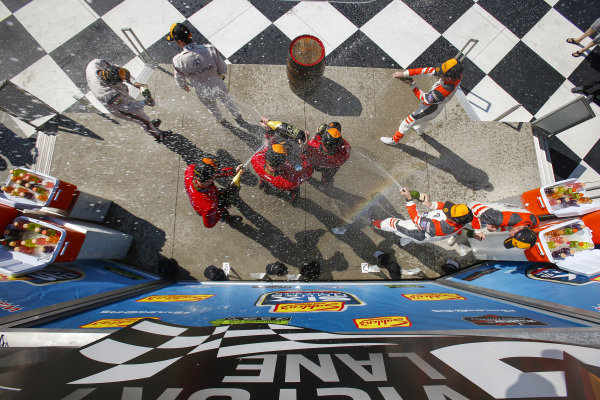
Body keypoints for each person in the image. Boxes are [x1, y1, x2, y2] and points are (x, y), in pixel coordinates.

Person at [167, 22, 243, 123]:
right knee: (228, 101)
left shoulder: (178, 61)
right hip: (217, 84)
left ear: (180, 41)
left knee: (212, 107)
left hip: (202, 90)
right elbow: (223, 69)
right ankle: (237, 117)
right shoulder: (209, 49)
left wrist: (184, 86)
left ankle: (221, 120)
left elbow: (179, 80)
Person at [85, 59, 172, 142]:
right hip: (118, 108)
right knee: (143, 120)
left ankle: (150, 125)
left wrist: (135, 83)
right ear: (113, 82)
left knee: (142, 116)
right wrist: (145, 102)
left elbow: (122, 72)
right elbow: (129, 108)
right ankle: (158, 136)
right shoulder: (107, 94)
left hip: (119, 96)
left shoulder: (97, 63)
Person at [381, 58, 463, 145]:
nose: (438, 74)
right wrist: (404, 73)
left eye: (441, 74)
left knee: (407, 122)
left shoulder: (444, 91)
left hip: (431, 108)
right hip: (438, 104)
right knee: (424, 120)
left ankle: (394, 141)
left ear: (448, 78)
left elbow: (426, 100)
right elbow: (427, 70)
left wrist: (412, 85)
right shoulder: (456, 75)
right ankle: (419, 130)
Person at [371, 188, 473, 246]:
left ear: (453, 219)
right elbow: (444, 207)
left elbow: (415, 218)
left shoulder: (436, 227)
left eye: (449, 212)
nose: (447, 209)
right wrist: (430, 204)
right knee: (407, 237)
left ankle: (374, 224)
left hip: (418, 231)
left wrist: (409, 199)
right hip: (429, 232)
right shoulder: (464, 216)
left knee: (391, 223)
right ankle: (403, 242)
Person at [184, 157, 244, 228]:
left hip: (207, 196)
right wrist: (221, 208)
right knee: (223, 213)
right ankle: (227, 219)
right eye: (214, 174)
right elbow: (209, 224)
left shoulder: (191, 169)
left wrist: (234, 171)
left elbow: (216, 174)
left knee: (222, 192)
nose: (216, 174)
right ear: (211, 178)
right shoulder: (209, 208)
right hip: (208, 206)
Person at [305, 122, 351, 189]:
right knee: (327, 177)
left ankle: (307, 176)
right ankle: (324, 185)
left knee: (308, 166)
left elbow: (305, 152)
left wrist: (317, 135)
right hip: (332, 167)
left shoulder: (314, 147)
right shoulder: (345, 149)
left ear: (323, 140)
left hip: (317, 163)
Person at [469, 203, 539, 241]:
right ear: (519, 230)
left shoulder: (534, 222)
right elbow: (475, 208)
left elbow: (510, 228)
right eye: (512, 237)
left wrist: (497, 228)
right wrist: (477, 231)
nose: (510, 237)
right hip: (470, 211)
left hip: (494, 215)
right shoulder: (499, 219)